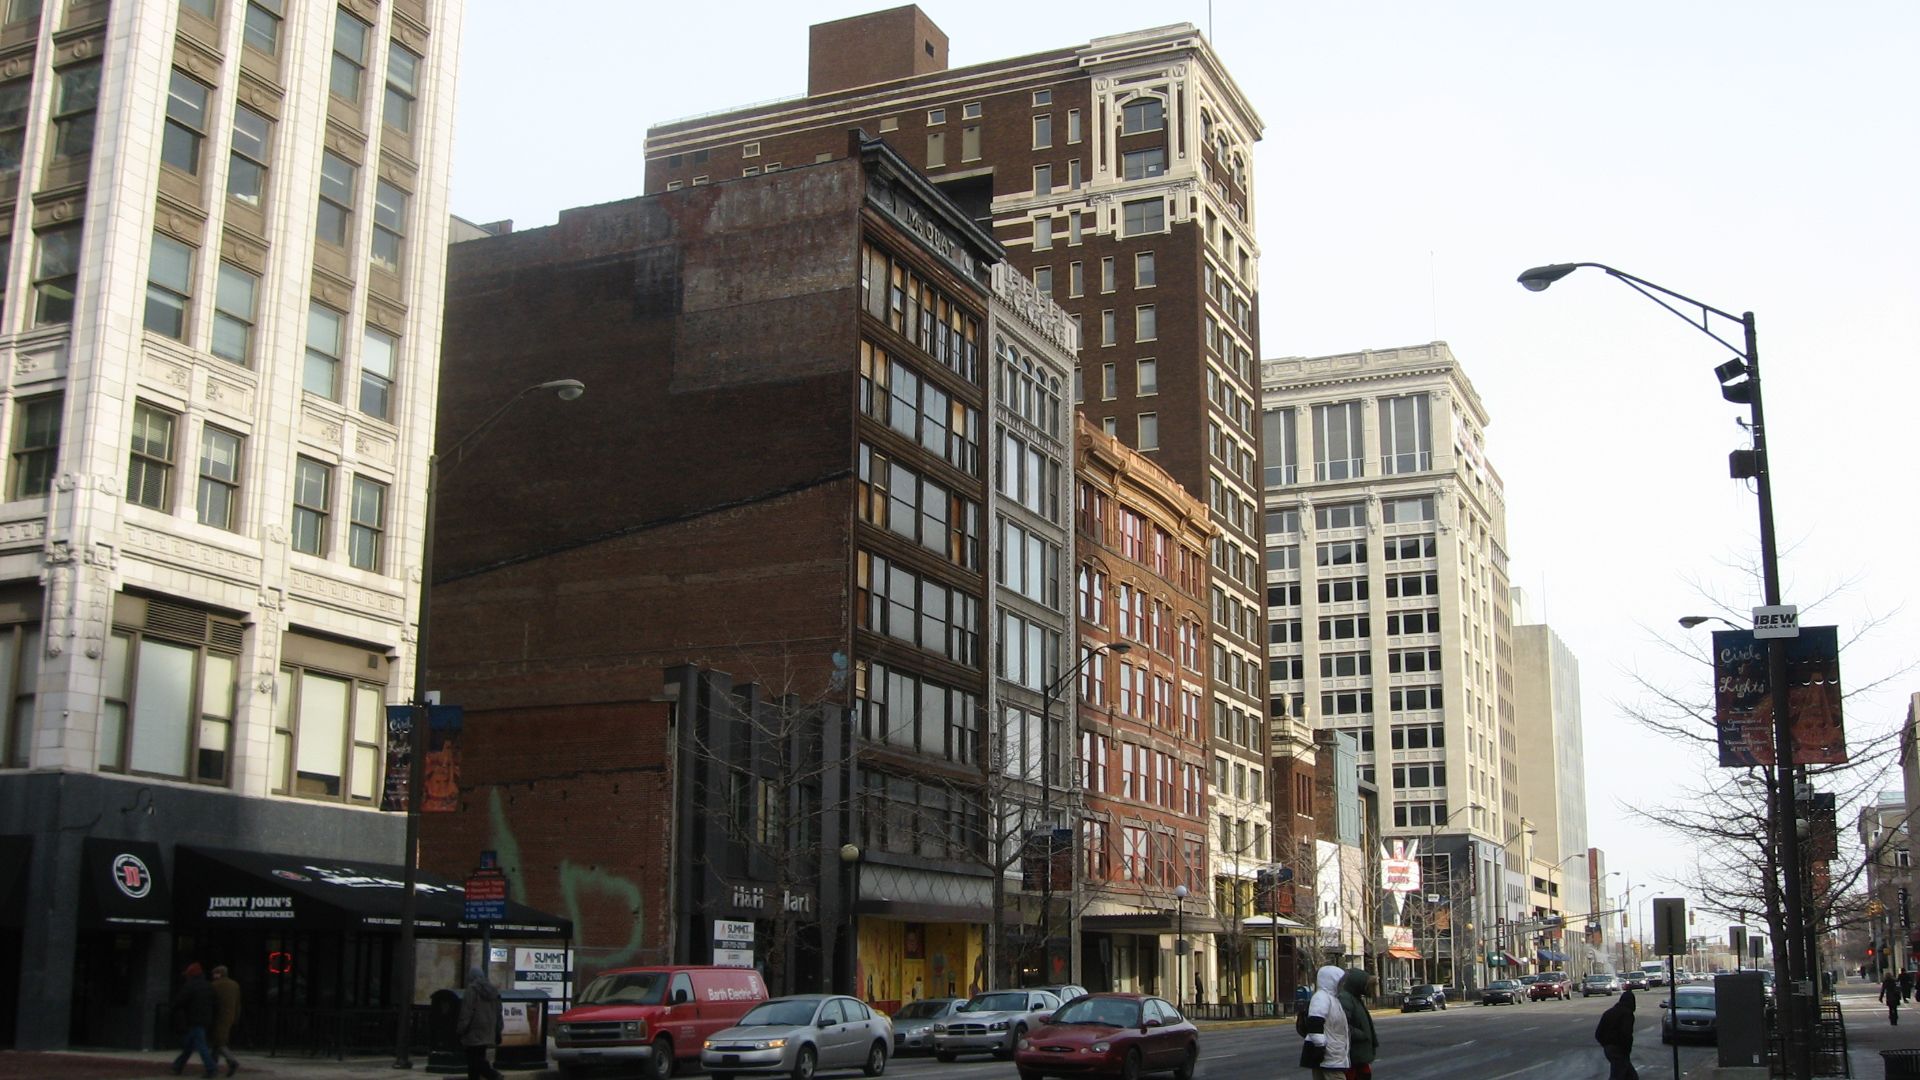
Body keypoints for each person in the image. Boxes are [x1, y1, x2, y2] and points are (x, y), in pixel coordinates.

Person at [1299, 964, 1351, 1079]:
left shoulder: (1332, 998)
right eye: (1339, 981)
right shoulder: (1321, 998)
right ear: (1331, 980)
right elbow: (1315, 1023)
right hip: (1327, 1055)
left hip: (1331, 1054)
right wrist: (1320, 1046)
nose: (1342, 985)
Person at [169, 963, 217, 1078]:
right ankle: (177, 1066)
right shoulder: (208, 986)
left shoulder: (190, 986)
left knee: (199, 1045)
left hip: (193, 1019)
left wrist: (174, 1008)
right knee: (190, 1045)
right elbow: (215, 1003)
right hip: (205, 1019)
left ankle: (211, 1068)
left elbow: (180, 1001)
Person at [456, 966, 504, 1080]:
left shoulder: (471, 990)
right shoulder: (493, 990)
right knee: (478, 1059)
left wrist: (460, 1030)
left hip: (474, 1031)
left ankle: (493, 1075)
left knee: (473, 1060)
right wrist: (498, 1030)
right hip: (488, 1031)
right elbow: (499, 1013)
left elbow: (467, 1012)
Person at [1337, 968, 1378, 1080]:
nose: (1370, 989)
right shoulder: (1346, 999)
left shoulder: (1355, 998)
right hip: (1353, 1057)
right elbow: (1343, 1025)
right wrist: (1361, 1035)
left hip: (1358, 1058)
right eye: (1368, 985)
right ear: (1358, 984)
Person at [1594, 988, 1639, 1080]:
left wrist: (1605, 1044)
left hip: (1609, 1047)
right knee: (1620, 1075)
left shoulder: (1609, 1012)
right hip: (1619, 1049)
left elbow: (1598, 1033)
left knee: (1627, 1074)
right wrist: (1625, 1049)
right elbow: (1626, 1034)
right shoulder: (1627, 1014)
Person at [209, 965, 242, 1077]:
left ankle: (231, 1061)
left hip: (218, 1017)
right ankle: (212, 1067)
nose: (214, 976)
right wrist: (236, 1018)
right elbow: (238, 1004)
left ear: (219, 974)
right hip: (230, 1017)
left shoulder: (214, 985)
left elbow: (211, 1003)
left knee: (219, 1042)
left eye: (215, 973)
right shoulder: (234, 985)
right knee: (217, 1042)